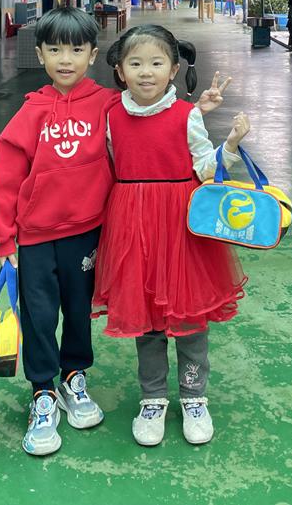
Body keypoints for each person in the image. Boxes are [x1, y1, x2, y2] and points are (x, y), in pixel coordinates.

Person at [0, 7, 230, 457]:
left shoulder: (107, 103)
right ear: (39, 55)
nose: (65, 60)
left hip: (95, 231)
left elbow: (155, 116)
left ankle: (78, 378)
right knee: (43, 315)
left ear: (93, 56)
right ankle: (45, 393)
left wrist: (198, 113)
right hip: (39, 235)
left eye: (76, 50)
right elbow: (5, 175)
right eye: (54, 50)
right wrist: (4, 236)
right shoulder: (35, 111)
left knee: (83, 312)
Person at [92, 25, 249, 448]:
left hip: (181, 229)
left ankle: (195, 397)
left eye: (156, 63)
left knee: (189, 318)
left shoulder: (187, 115)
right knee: (145, 319)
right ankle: (153, 398)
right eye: (135, 63)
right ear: (120, 70)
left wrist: (231, 144)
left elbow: (206, 168)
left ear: (174, 69)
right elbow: (104, 166)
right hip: (132, 226)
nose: (146, 72)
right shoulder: (110, 115)